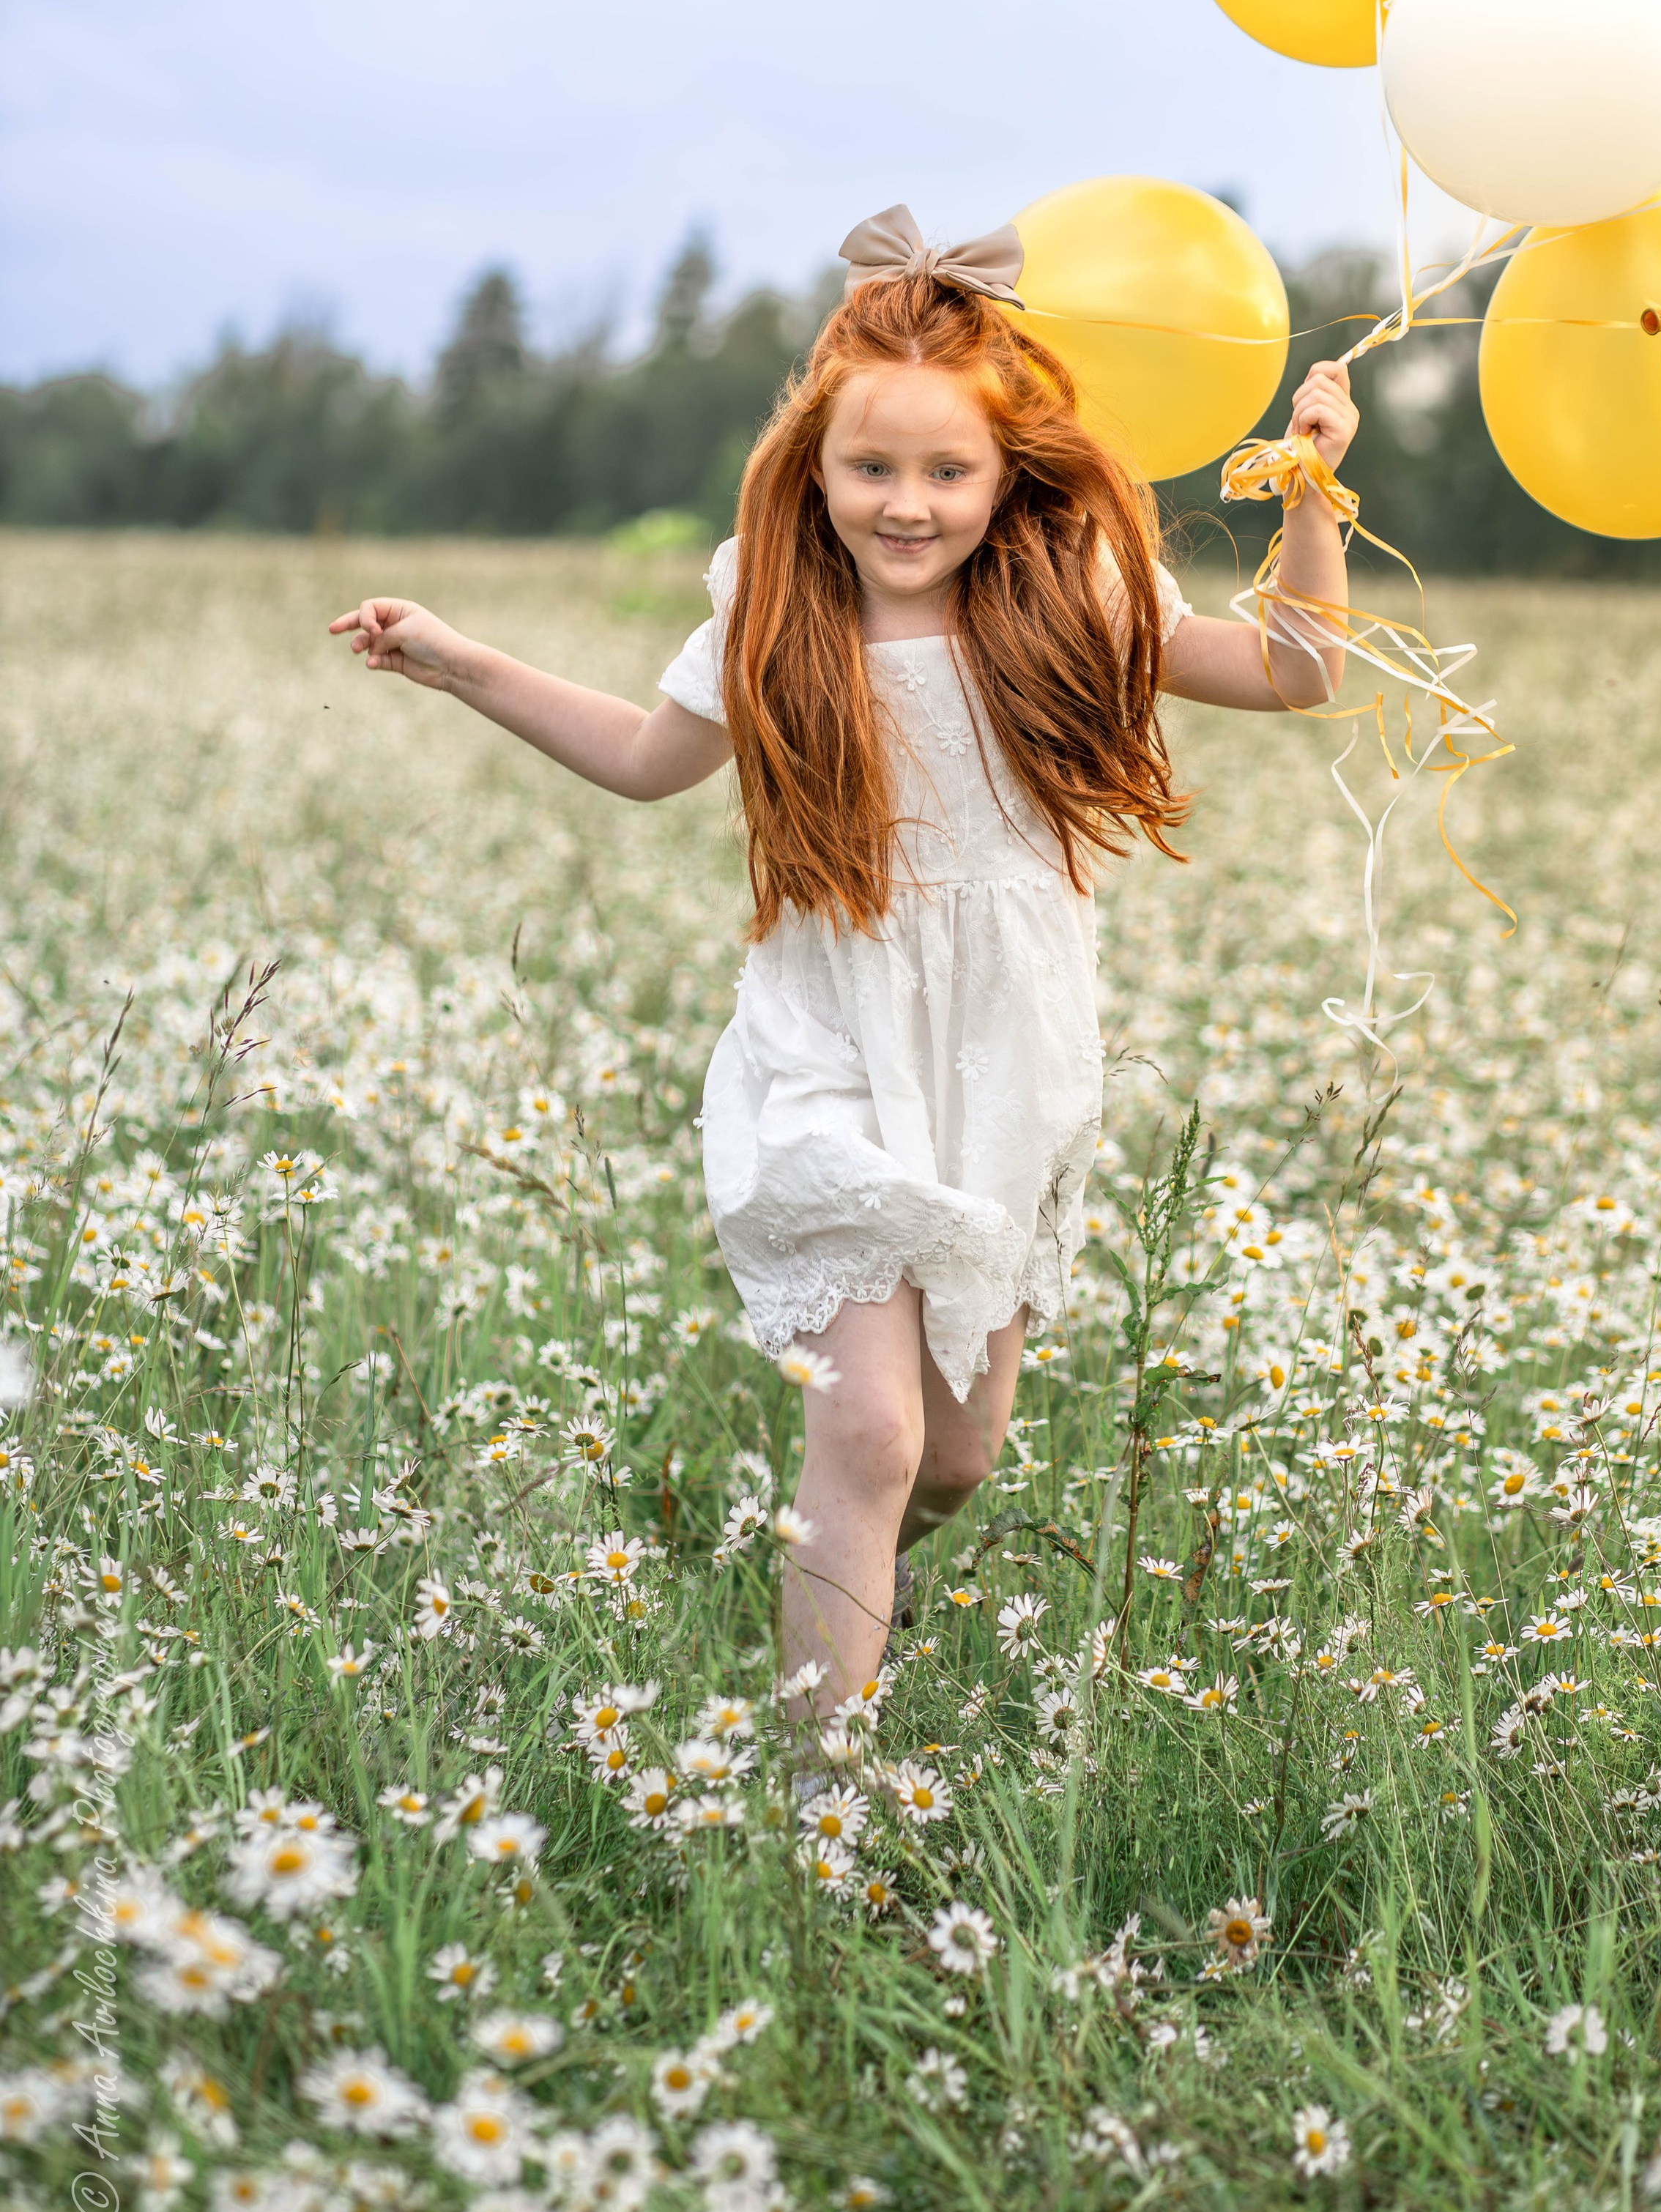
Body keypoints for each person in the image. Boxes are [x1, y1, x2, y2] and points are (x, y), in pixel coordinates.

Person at [330, 207, 1357, 1731]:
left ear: (1005, 473)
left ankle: (847, 1570)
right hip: (826, 1045)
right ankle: (818, 1807)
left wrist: (1312, 487)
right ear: (812, 467)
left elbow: (1298, 667)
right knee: (871, 1435)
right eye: (872, 468)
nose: (907, 503)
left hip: (1004, 1059)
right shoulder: (774, 602)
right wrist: (457, 660)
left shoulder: (1070, 591)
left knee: (950, 1457)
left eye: (948, 471)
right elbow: (644, 758)